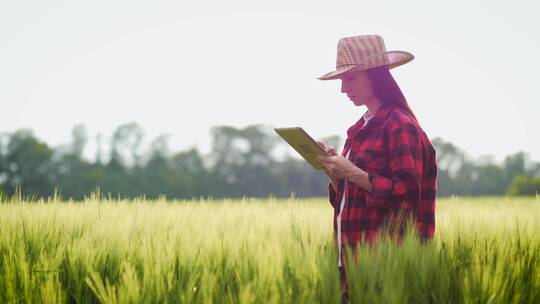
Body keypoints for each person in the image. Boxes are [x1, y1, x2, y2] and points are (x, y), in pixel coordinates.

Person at [315, 35, 437, 303]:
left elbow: (406, 195)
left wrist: (353, 172)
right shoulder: (359, 129)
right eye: (341, 81)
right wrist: (336, 174)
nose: (343, 89)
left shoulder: (400, 126)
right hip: (351, 267)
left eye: (350, 79)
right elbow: (348, 201)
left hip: (386, 271)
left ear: (374, 76)